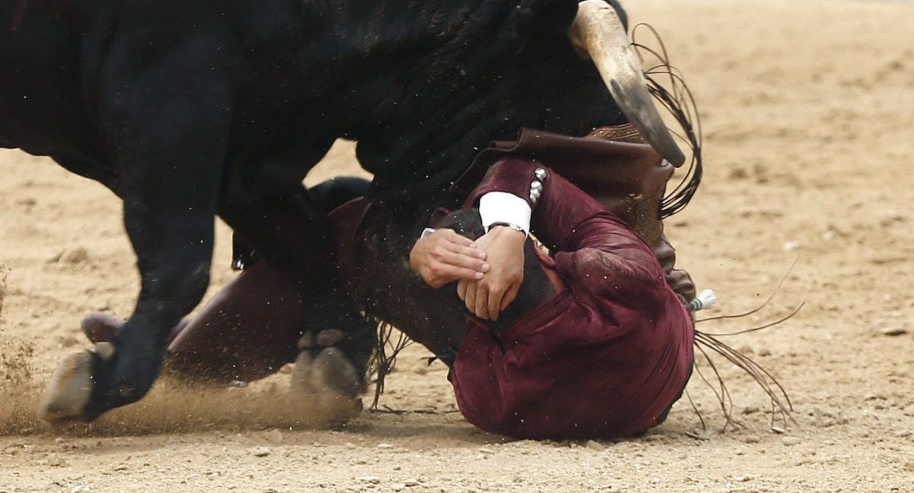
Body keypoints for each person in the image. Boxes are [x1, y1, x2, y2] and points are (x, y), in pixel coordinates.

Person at [82, 124, 704, 439]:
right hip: (641, 353)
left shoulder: (495, 389)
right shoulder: (618, 286)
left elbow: (520, 168)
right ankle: (322, 330)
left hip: (601, 356)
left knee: (350, 225)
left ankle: (172, 364)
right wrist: (507, 231)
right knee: (360, 219)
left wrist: (419, 252)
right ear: (555, 265)